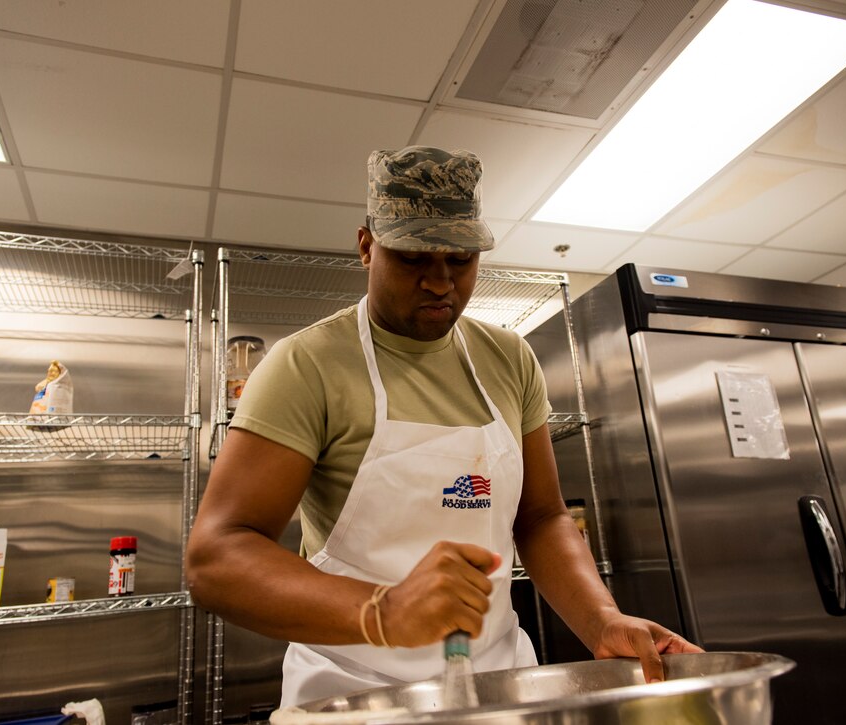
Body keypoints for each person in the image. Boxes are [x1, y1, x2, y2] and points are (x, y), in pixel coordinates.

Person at [186, 145, 701, 707]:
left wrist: (601, 621)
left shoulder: (509, 359)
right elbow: (218, 555)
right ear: (366, 247)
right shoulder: (306, 365)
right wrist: (382, 611)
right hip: (356, 691)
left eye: (460, 260)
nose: (440, 283)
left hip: (498, 684)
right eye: (412, 258)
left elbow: (542, 517)